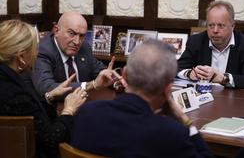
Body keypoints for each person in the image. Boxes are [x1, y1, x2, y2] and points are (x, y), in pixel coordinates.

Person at [71, 39, 212, 158]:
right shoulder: (170, 134)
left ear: (124, 75)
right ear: (167, 88)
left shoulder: (86, 114)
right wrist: (185, 120)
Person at [0, 19, 87, 158]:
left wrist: (49, 97)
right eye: (34, 48)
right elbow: (50, 140)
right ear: (21, 56)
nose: (36, 54)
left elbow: (28, 112)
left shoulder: (9, 80)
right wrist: (68, 110)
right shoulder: (16, 95)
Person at [177, 0, 244, 89]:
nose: (215, 30)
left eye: (221, 25)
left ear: (232, 26)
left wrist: (223, 79)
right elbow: (176, 68)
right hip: (202, 98)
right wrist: (190, 74)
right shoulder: (196, 41)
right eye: (211, 25)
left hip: (233, 99)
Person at [32, 11, 112, 101]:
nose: (77, 42)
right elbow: (47, 87)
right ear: (56, 30)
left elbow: (98, 69)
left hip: (82, 106)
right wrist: (91, 85)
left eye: (81, 36)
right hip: (54, 110)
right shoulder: (43, 50)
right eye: (71, 33)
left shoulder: (84, 47)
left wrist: (116, 80)